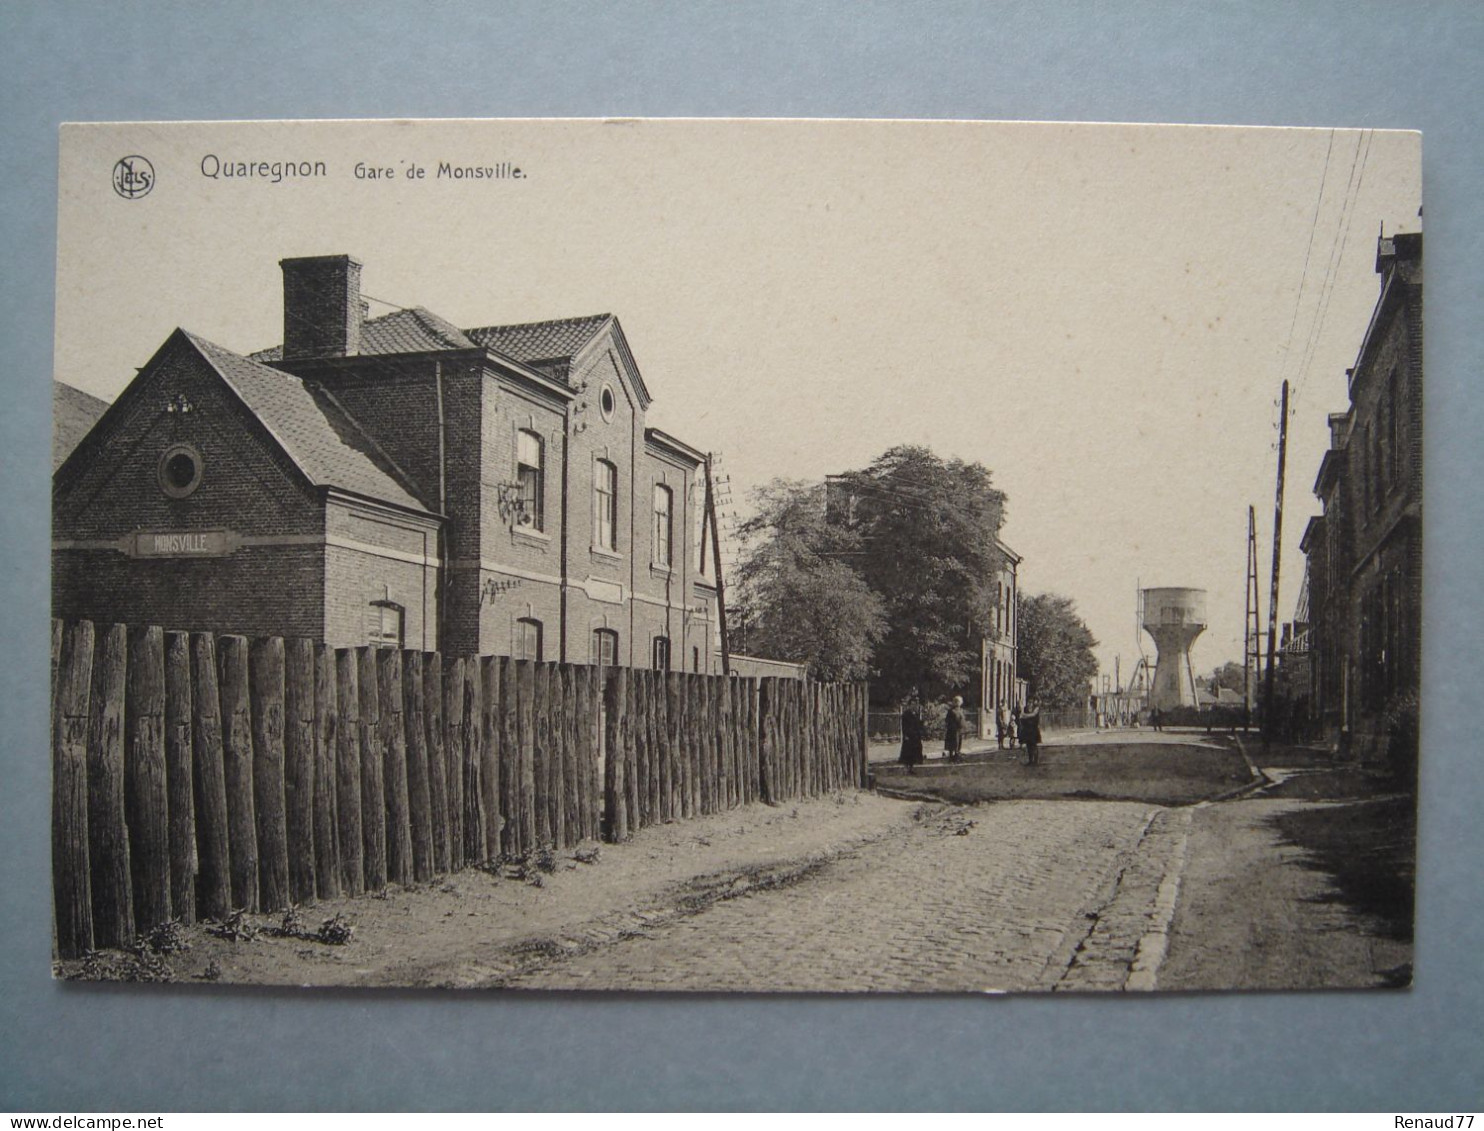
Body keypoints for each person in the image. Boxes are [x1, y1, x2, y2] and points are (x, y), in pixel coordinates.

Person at [898, 696, 925, 773]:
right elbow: (904, 726)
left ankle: (911, 768)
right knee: (907, 752)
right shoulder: (906, 714)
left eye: (915, 704)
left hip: (915, 736)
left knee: (915, 752)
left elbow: (918, 725)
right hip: (909, 736)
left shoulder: (916, 714)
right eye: (912, 704)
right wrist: (905, 735)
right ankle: (906, 768)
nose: (914, 706)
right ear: (909, 705)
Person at [1019, 699, 1043, 765]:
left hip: (1033, 729)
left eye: (1030, 702)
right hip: (1027, 730)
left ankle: (1035, 760)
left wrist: (1024, 715)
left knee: (1034, 745)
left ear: (1033, 703)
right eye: (1028, 702)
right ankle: (1030, 760)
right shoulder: (1025, 709)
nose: (1029, 704)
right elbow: (1021, 718)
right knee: (1028, 745)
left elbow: (1033, 715)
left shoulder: (1036, 709)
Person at [944, 695, 965, 762]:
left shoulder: (961, 710)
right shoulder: (951, 711)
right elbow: (947, 720)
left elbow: (962, 720)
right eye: (958, 702)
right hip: (953, 730)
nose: (959, 703)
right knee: (953, 744)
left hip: (959, 730)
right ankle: (951, 757)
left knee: (958, 743)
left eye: (960, 702)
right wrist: (953, 725)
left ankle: (957, 756)